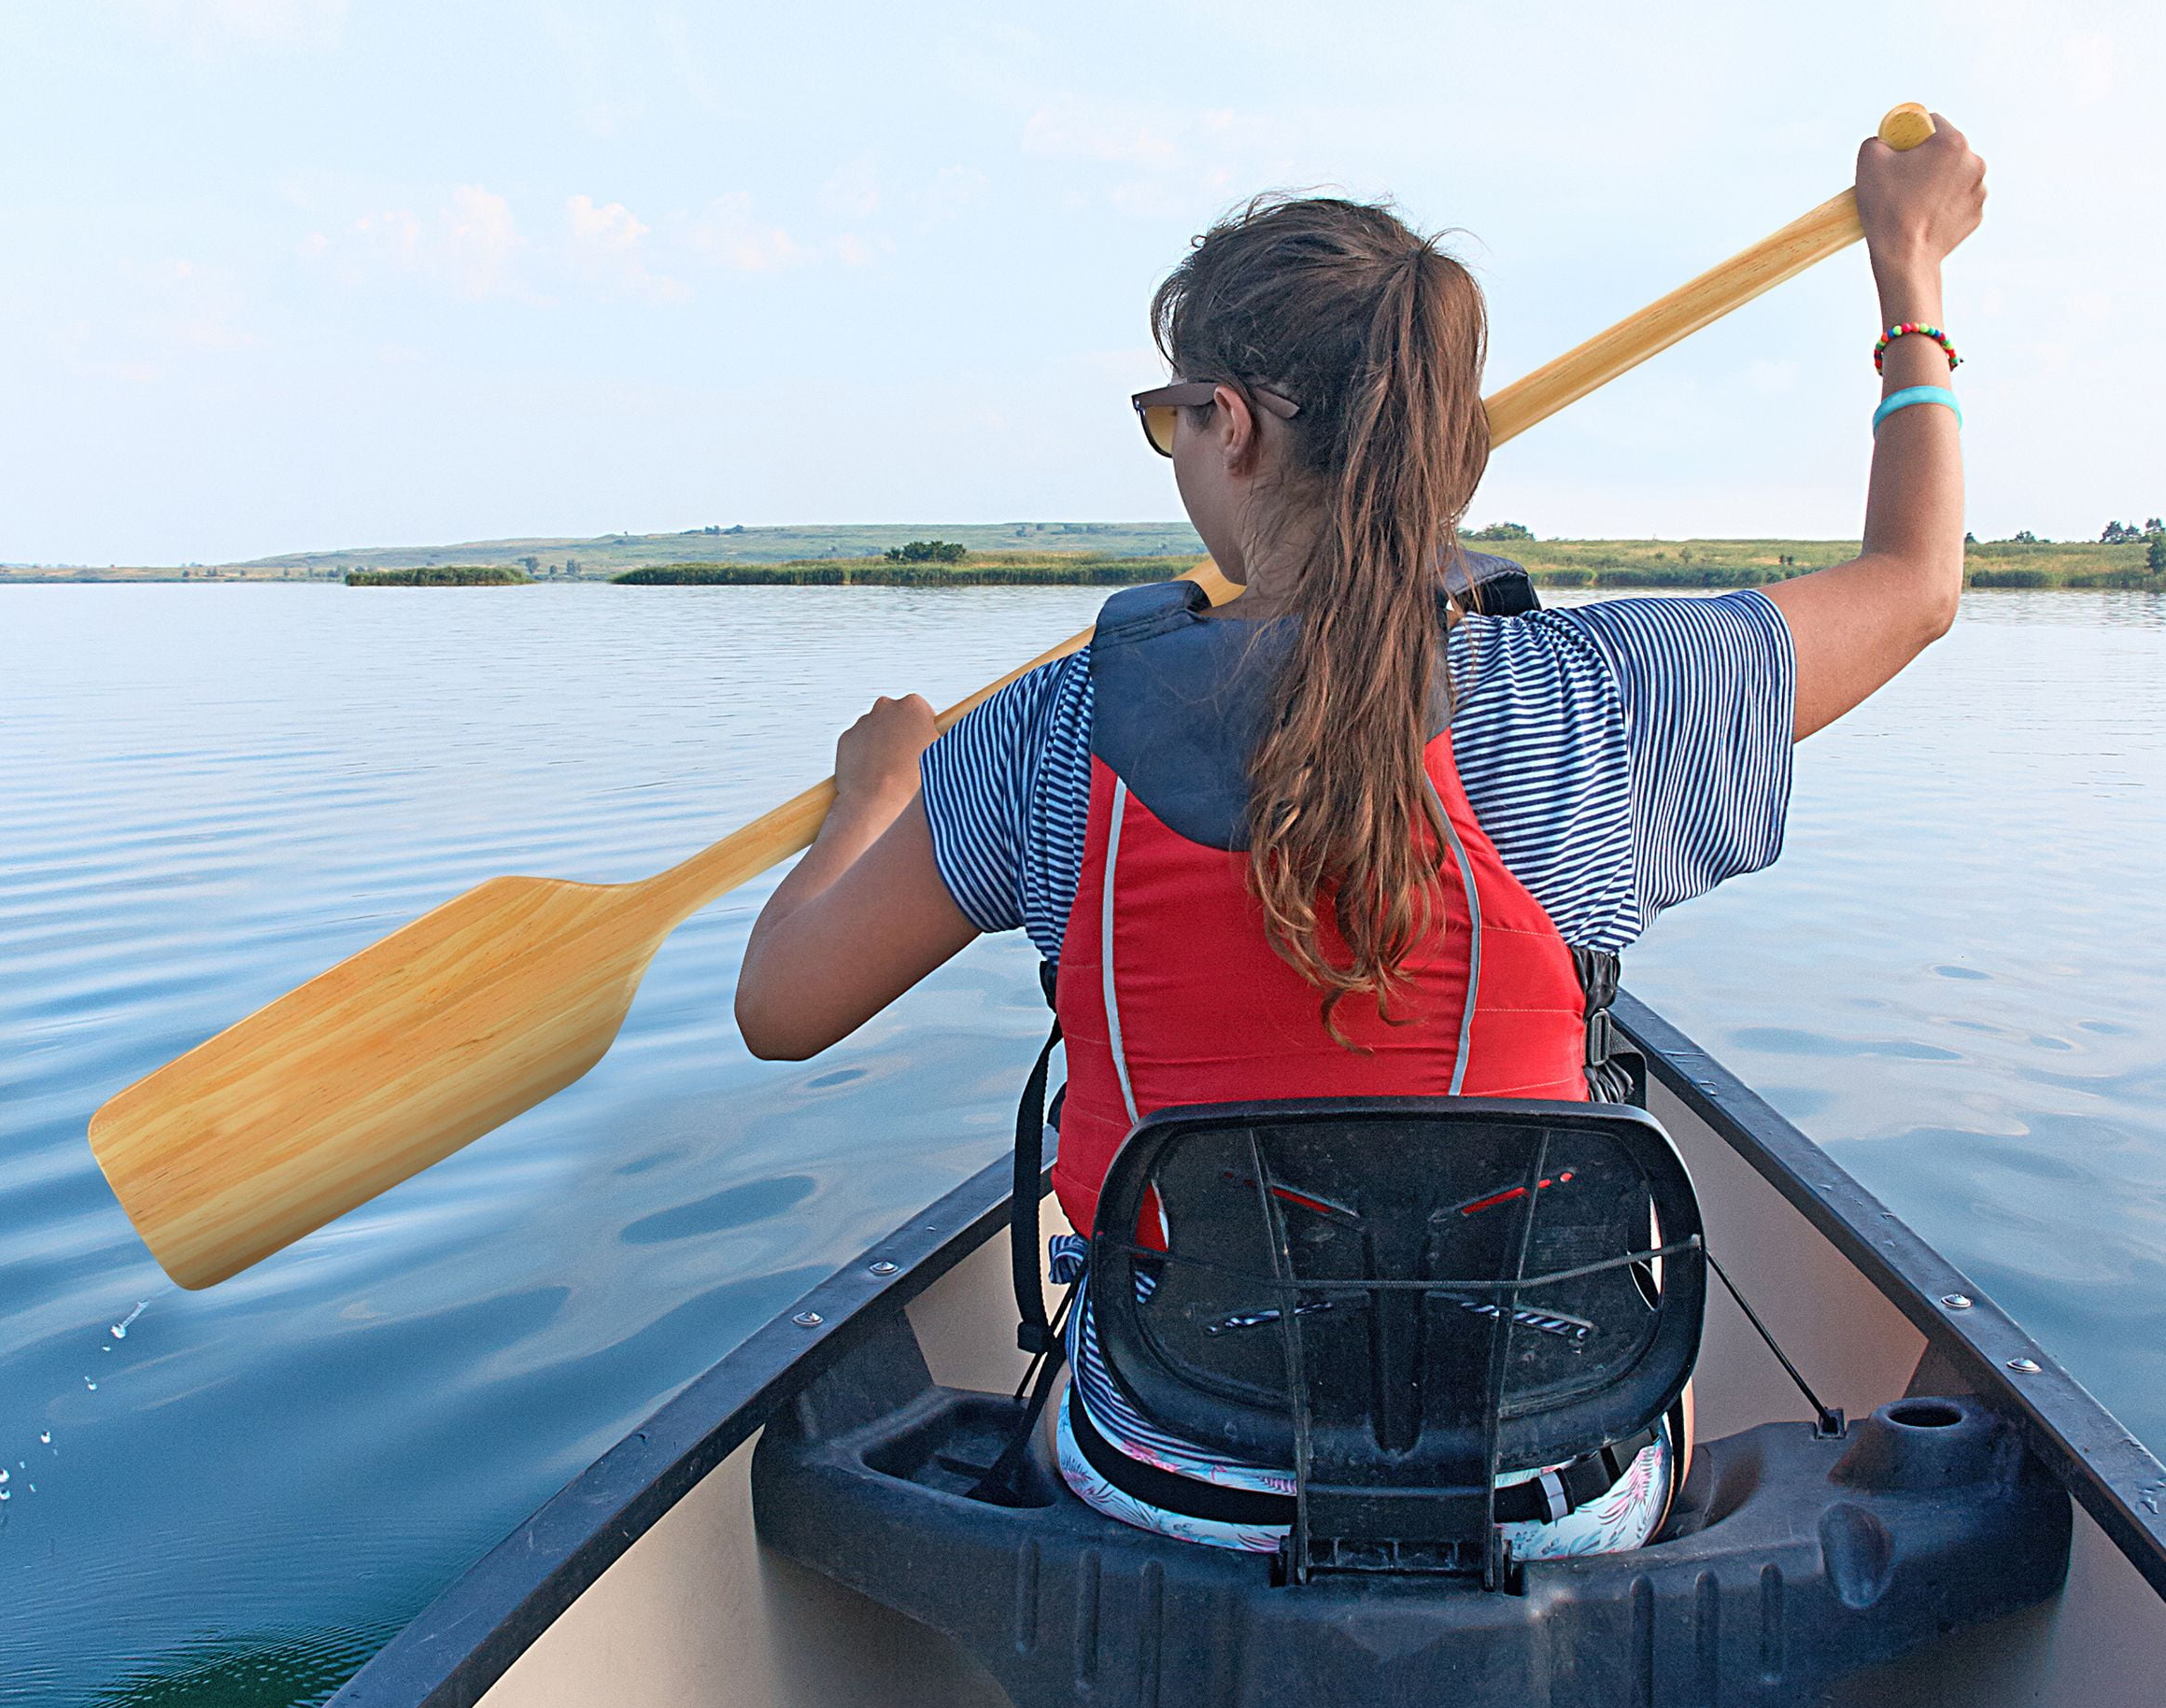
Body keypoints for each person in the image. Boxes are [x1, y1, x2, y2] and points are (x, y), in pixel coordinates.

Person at [736, 116, 1987, 1560]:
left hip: (1167, 1470)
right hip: (1550, 1490)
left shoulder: (1045, 732)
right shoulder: (1602, 696)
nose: (1174, 454)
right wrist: (1914, 279)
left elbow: (783, 1003)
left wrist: (878, 795)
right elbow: (1918, 582)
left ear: (1239, 424)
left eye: (1170, 420)